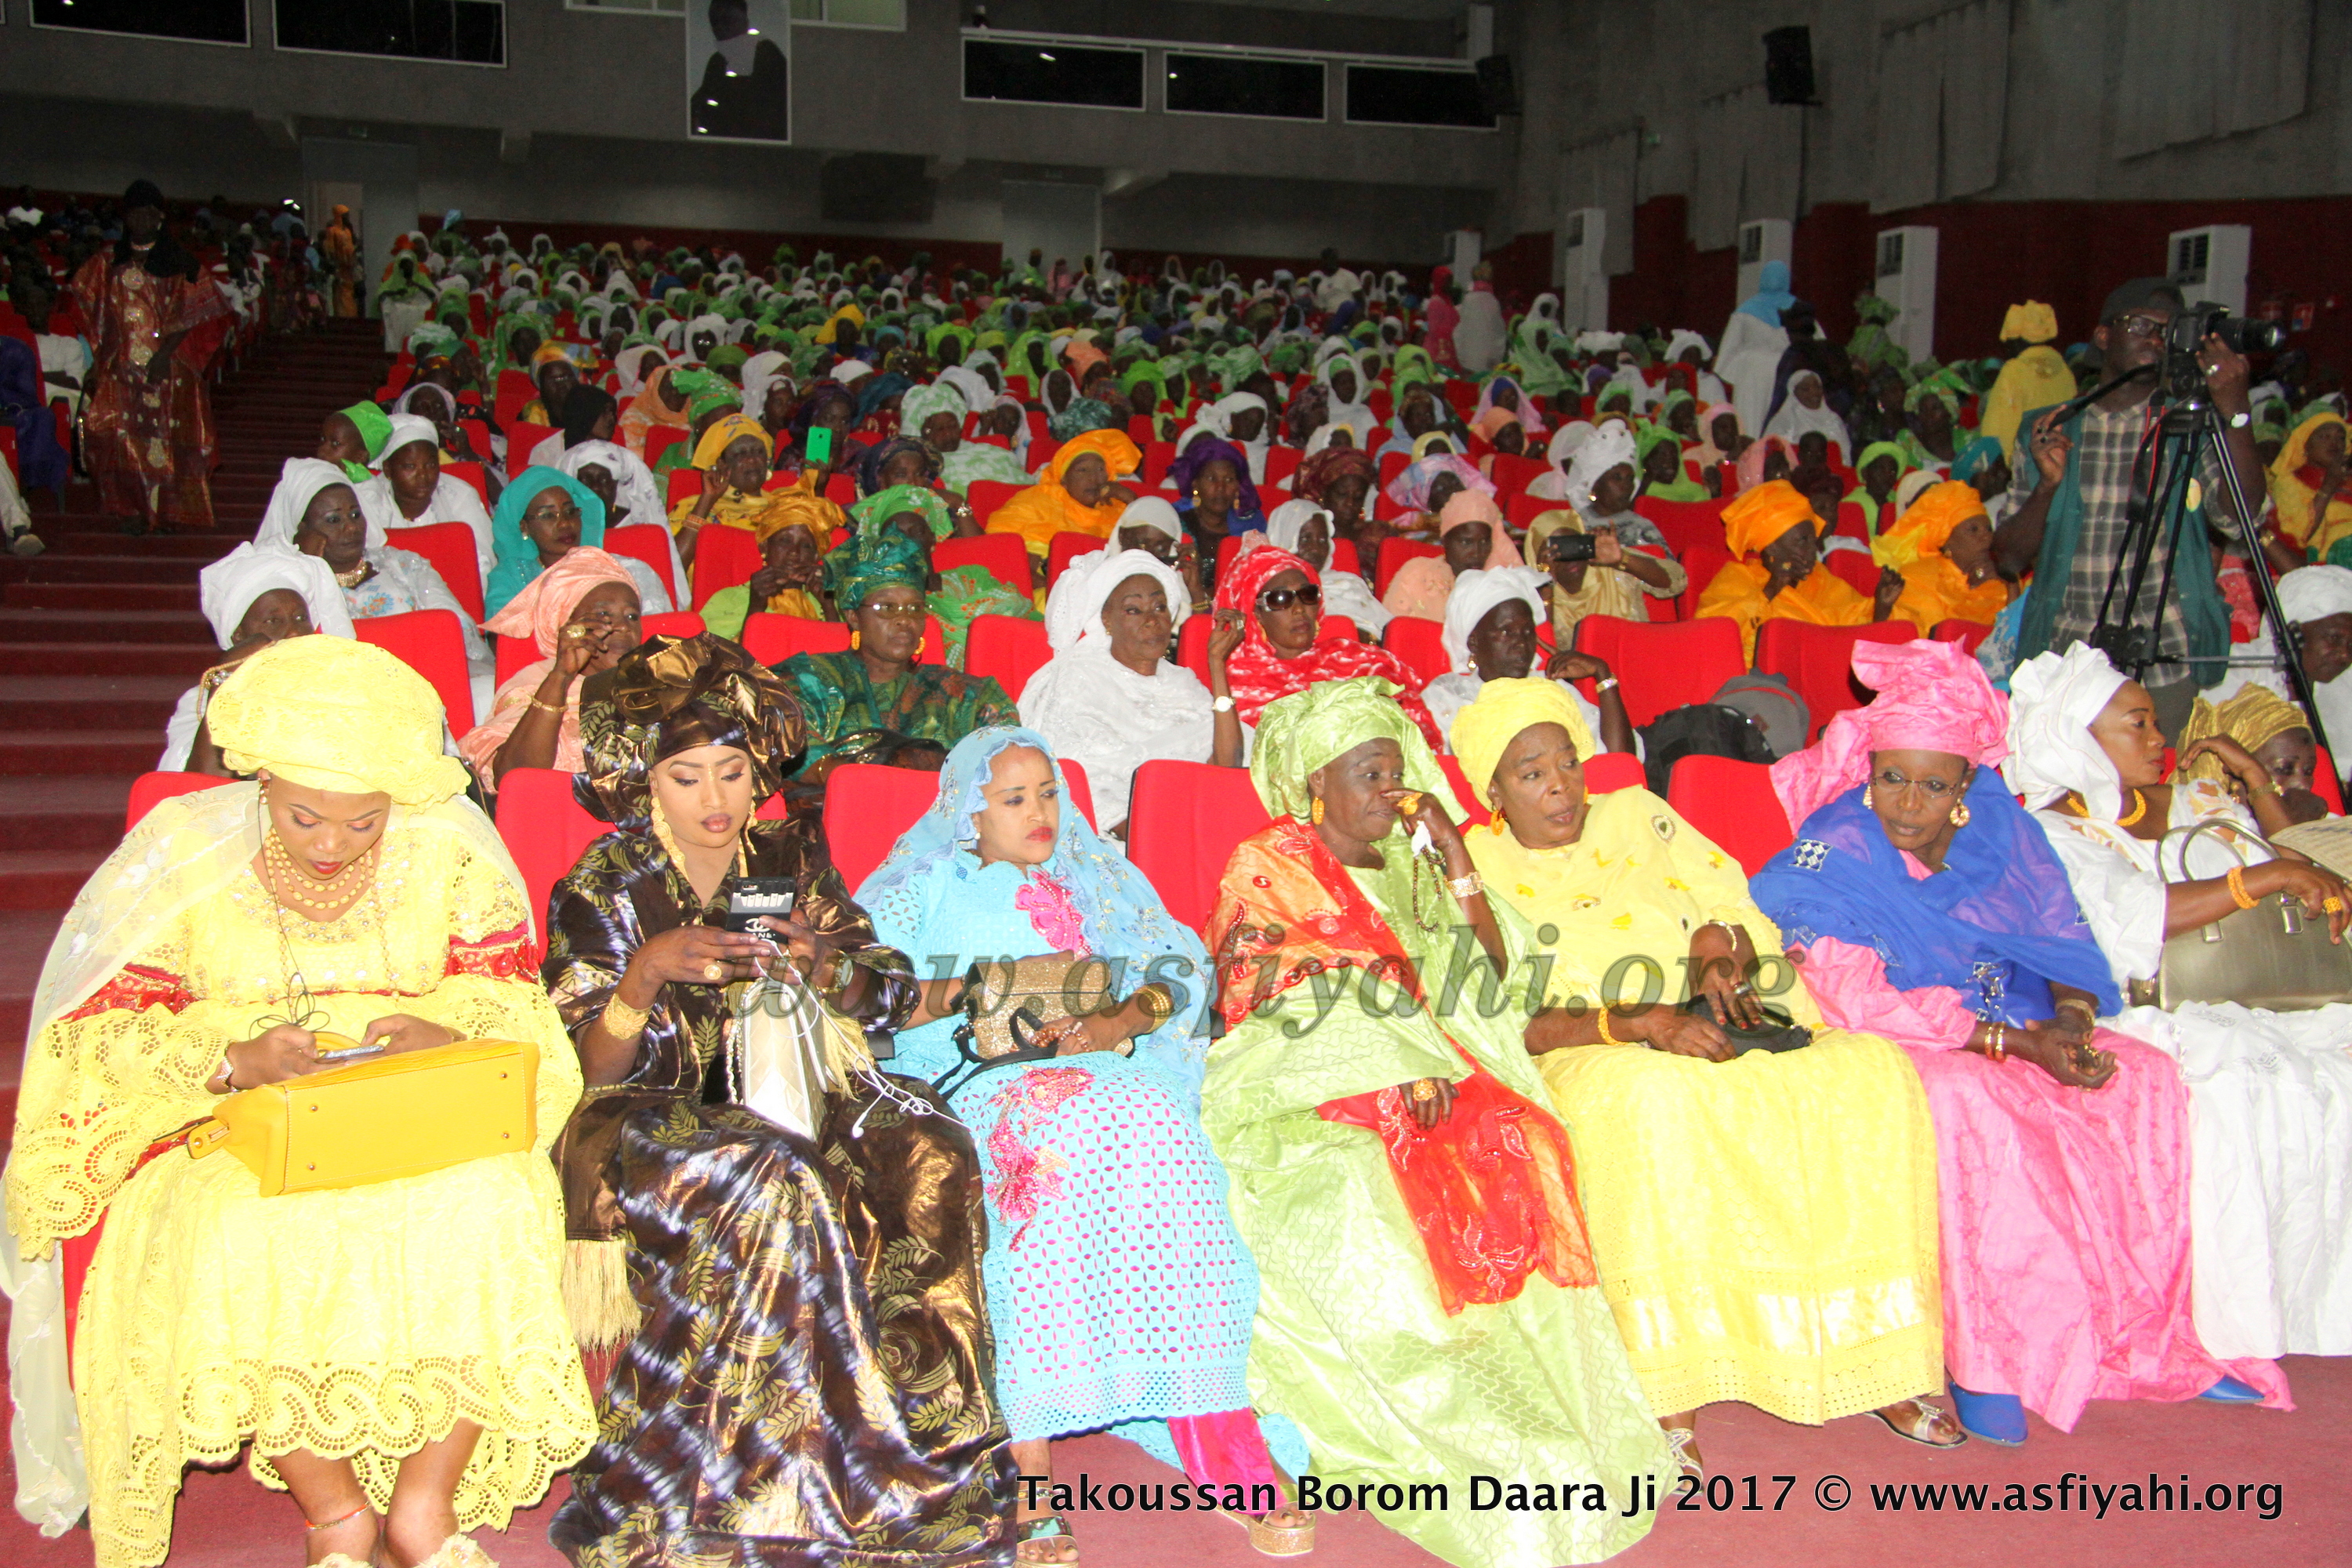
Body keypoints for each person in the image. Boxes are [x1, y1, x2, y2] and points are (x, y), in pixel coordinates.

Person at [8, 636, 596, 1568]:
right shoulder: (184, 852)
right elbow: (96, 1031)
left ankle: (422, 1511)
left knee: (496, 1203)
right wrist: (232, 1054)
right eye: (304, 818)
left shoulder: (445, 845)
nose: (332, 847)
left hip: (416, 1106)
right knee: (239, 1232)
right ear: (261, 786)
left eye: (363, 824)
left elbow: (513, 1002)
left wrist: (438, 1028)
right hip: (235, 1121)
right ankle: (336, 1515)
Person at [540, 636, 1014, 1565]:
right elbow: (587, 1071)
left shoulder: (790, 848)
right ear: (644, 783)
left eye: (732, 770)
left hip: (791, 1088)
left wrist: (821, 961)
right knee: (772, 1171)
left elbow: (882, 986)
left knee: (928, 1140)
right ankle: (737, 1485)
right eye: (687, 777)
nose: (716, 800)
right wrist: (642, 976)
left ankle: (926, 1442)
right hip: (649, 1111)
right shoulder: (604, 883)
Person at [1751, 638, 2285, 1446]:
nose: (1907, 802)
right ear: (1869, 768)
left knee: (2139, 1075)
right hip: (1906, 1030)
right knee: (1974, 1102)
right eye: (1891, 777)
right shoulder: (1833, 848)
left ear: (1969, 784)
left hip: (2023, 1019)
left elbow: (2060, 935)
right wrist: (2014, 1041)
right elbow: (1855, 992)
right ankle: (1987, 1359)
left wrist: (2070, 1018)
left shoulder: (2002, 830)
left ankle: (2141, 1335)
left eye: (1934, 784)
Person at [1202, 676, 1671, 1566]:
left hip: (1442, 1068)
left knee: (1521, 1136)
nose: (1391, 789)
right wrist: (1392, 1056)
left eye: (1396, 769)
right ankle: (1462, 1425)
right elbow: (1260, 983)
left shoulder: (1413, 860)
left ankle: (1546, 1407)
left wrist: (1454, 853)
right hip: (1310, 1085)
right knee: (1372, 1185)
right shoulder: (1269, 858)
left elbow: (1492, 974)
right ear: (1318, 783)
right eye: (1370, 774)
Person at [1449, 670, 1960, 1467]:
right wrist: (1639, 1023)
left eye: (1567, 762)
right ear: (1494, 792)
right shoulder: (1477, 867)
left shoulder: (1639, 815)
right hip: (1595, 1045)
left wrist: (1721, 949)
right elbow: (1505, 1012)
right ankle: (1667, 1389)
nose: (1559, 787)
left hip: (1710, 1018)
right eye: (1531, 773)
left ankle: (1875, 1355)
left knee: (1872, 1075)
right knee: (1654, 1101)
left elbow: (1735, 900)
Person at [858, 728, 1312, 1563]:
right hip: (983, 1084)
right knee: (1046, 1156)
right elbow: (863, 1000)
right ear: (968, 810)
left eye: (1050, 792)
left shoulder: (1094, 872)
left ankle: (1221, 1434)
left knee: (1166, 1134)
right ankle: (1028, 1459)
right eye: (1014, 798)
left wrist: (1117, 1019)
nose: (1040, 813)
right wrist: (978, 991)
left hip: (1109, 1075)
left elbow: (1177, 966)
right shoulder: (917, 892)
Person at [2005, 642, 2352, 1359]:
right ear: (2079, 738)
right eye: (2138, 724)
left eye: (2157, 723)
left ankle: (2322, 1310)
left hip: (2263, 992)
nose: (2161, 740)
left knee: (2337, 1064)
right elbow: (2126, 922)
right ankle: (2235, 1323)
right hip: (2147, 1002)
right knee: (2240, 1083)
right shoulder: (2045, 829)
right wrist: (2258, 880)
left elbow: (2301, 873)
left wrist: (2263, 811)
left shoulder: (2198, 801)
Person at [1994, 278, 2268, 739]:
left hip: (2166, 658)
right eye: (2141, 325)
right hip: (2069, 655)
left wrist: (2235, 411)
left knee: (2156, 797)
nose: (2156, 339)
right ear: (2104, 337)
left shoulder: (2189, 424)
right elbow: (2008, 557)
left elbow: (2240, 519)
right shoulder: (2049, 428)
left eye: (2168, 330)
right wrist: (2047, 487)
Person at [1016, 546, 1243, 832]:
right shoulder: (1078, 679)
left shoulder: (1182, 684)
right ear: (1108, 620)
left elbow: (1229, 765)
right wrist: (1161, 838)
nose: (1152, 620)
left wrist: (1217, 666)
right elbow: (1082, 789)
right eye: (1134, 610)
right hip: (1122, 842)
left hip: (1200, 822)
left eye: (1160, 607)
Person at [773, 533, 1015, 778]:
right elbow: (790, 746)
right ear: (853, 616)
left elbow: (1008, 761)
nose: (904, 620)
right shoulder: (808, 679)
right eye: (887, 608)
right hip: (835, 811)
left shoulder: (965, 694)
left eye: (915, 608)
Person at [71, 180, 230, 532]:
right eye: (134, 212)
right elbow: (87, 304)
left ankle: (170, 512)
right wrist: (100, 359)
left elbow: (203, 313)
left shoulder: (181, 262)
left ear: (159, 217)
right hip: (121, 366)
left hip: (169, 366)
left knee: (168, 439)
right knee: (119, 437)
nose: (142, 218)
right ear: (126, 217)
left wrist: (165, 355)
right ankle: (130, 509)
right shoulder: (107, 263)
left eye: (149, 212)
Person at [257, 456, 490, 684]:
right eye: (333, 520)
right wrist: (306, 566)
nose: (351, 527)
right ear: (303, 530)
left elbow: (457, 629)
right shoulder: (291, 591)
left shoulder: (404, 565)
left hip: (426, 679)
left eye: (355, 514)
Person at [1214, 543, 1440, 748]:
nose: (1299, 609)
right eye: (1281, 599)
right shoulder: (1242, 683)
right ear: (1257, 614)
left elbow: (1416, 732)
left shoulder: (1360, 661)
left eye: (1308, 595)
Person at [160, 543, 356, 772]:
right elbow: (198, 790)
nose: (294, 632)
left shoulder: (339, 687)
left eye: (302, 618)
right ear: (239, 636)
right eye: (273, 621)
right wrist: (225, 686)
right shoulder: (200, 702)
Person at [463, 547, 642, 789]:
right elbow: (514, 779)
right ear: (568, 625)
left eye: (632, 616)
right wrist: (561, 677)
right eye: (603, 614)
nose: (623, 627)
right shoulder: (534, 685)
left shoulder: (660, 680)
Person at [1421, 568, 1635, 756]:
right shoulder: (1447, 697)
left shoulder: (1553, 688)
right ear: (1474, 642)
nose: (1522, 642)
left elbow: (1621, 763)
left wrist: (1603, 674)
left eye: (1528, 631)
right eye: (1507, 632)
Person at [1697, 479, 1903, 661]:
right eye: (1802, 541)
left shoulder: (1821, 579)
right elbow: (1716, 639)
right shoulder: (1737, 579)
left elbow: (1853, 633)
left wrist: (1881, 608)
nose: (1813, 550)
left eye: (1813, 541)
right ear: (1772, 547)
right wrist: (1772, 589)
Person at [485, 465, 672, 619]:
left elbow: (658, 638)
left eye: (570, 512)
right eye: (548, 515)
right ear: (524, 526)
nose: (565, 523)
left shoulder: (629, 571)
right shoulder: (510, 578)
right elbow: (503, 645)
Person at [664, 412, 843, 569]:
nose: (752, 460)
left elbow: (820, 548)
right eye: (741, 454)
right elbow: (673, 568)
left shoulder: (783, 504)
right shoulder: (694, 505)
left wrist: (818, 491)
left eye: (758, 452)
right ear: (722, 464)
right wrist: (707, 500)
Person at [355, 413, 499, 577]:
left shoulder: (460, 496)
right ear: (388, 469)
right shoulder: (369, 500)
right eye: (410, 466)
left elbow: (484, 565)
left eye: (430, 465)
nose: (423, 475)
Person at [1873, 479, 2014, 633]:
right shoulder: (1919, 577)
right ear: (1946, 541)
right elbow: (1912, 639)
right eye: (1973, 530)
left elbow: (2013, 638)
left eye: (1988, 529)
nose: (1986, 537)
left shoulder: (2004, 580)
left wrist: (2011, 584)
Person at [1524, 507, 1683, 642]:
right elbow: (1542, 651)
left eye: (1573, 545)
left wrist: (1622, 560)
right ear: (1536, 556)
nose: (1569, 558)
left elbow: (1675, 582)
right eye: (1554, 551)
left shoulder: (1609, 563)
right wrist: (1544, 586)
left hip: (1634, 659)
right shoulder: (1528, 592)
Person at [985, 429, 1140, 565]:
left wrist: (1133, 502)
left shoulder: (1117, 508)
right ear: (1063, 479)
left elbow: (1148, 552)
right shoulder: (1037, 501)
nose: (1094, 478)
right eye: (1083, 470)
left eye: (1101, 469)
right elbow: (1002, 550)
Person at [1263, 497, 1386, 633]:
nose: (1316, 549)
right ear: (1283, 540)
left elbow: (1390, 629)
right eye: (1305, 539)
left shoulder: (1350, 583)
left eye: (1322, 540)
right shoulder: (1272, 596)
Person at [1715, 260, 1794, 437]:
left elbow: (1727, 351)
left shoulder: (1745, 311)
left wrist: (1737, 373)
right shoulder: (1800, 311)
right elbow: (1816, 349)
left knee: (1750, 423)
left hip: (1751, 374)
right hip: (1788, 371)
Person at [1979, 301, 2074, 450]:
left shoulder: (2015, 371)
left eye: (2008, 343)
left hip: (2023, 464)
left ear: (2016, 342)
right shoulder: (2065, 373)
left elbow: (1998, 430)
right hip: (2057, 461)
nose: (2007, 351)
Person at [2271, 410, 2352, 561]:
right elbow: (2298, 534)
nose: (2334, 443)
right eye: (2324, 437)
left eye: (2341, 438)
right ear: (2305, 445)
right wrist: (2328, 487)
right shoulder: (2288, 481)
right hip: (2325, 561)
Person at [1171, 434, 1266, 562]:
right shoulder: (1177, 522)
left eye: (1229, 480)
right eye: (1211, 479)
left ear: (1238, 487)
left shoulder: (1252, 524)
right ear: (1195, 484)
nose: (1220, 488)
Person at [1761, 368, 1852, 464]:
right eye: (1805, 389)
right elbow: (1773, 456)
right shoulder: (1784, 421)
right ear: (1794, 393)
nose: (1814, 393)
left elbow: (1846, 457)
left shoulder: (1833, 420)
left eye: (1818, 387)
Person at [321, 203, 361, 317]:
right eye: (344, 215)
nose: (347, 218)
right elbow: (330, 250)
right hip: (340, 267)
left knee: (351, 293)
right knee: (341, 294)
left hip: (350, 267)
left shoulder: (348, 231)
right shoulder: (332, 231)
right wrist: (335, 266)